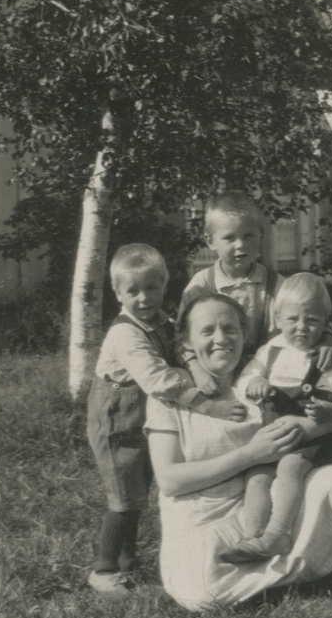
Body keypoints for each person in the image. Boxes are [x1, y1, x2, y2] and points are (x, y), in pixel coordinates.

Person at [145, 293, 332, 610]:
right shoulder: (170, 393)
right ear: (185, 341)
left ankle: (267, 559)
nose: (221, 339)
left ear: (243, 334)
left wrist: (327, 344)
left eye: (230, 329)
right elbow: (170, 481)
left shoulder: (263, 380)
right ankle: (291, 568)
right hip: (201, 520)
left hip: (267, 510)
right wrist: (252, 454)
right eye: (207, 331)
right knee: (199, 592)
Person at [86, 244, 247, 597]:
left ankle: (129, 566)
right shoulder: (124, 333)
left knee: (137, 492)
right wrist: (206, 406)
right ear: (117, 293)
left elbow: (178, 345)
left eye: (152, 288)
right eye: (133, 291)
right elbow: (157, 378)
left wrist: (191, 365)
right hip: (115, 423)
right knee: (123, 498)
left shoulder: (161, 320)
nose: (144, 298)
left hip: (139, 417)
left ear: (164, 286)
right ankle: (103, 569)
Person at [222, 273, 332, 563]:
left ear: (325, 323)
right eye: (293, 320)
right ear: (277, 319)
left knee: (290, 468)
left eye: (312, 321)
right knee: (257, 476)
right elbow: (244, 379)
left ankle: (278, 534)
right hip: (273, 436)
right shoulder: (271, 351)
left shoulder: (329, 359)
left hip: (314, 438)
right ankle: (251, 539)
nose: (301, 328)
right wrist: (254, 385)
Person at [178, 191, 332, 395]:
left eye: (249, 236)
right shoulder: (201, 285)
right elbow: (180, 336)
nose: (241, 245)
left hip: (263, 373)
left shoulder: (276, 285)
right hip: (213, 370)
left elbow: (312, 314)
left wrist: (327, 340)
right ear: (210, 241)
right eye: (229, 238)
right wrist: (196, 369)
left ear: (260, 235)